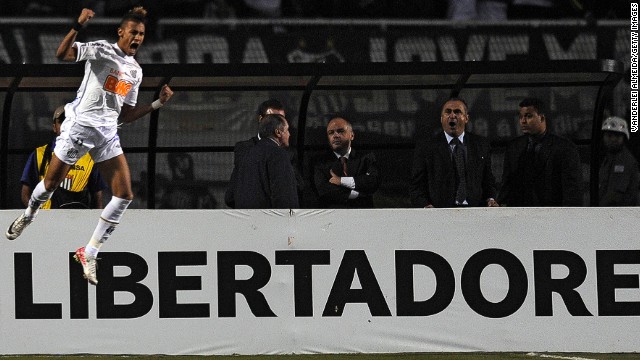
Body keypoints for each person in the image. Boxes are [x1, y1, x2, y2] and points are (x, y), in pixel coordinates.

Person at [5, 7, 174, 286]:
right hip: (79, 129)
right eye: (133, 32)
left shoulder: (136, 71)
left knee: (124, 195)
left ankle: (90, 251)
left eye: (142, 34)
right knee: (49, 185)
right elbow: (62, 54)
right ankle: (28, 215)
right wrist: (77, 25)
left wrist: (158, 103)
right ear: (121, 32)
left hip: (107, 134)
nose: (138, 37)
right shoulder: (101, 50)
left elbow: (126, 115)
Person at [410, 97, 498, 208]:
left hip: (475, 214)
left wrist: (490, 199)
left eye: (457, 112)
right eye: (448, 112)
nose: (452, 116)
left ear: (466, 118)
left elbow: (488, 181)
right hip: (440, 215)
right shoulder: (426, 148)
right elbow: (417, 187)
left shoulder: (481, 145)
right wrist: (426, 206)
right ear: (441, 119)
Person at [497, 98, 582, 207]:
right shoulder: (514, 147)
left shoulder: (564, 148)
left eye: (528, 116)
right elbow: (507, 186)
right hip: (520, 216)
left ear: (541, 118)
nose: (523, 121)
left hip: (552, 216)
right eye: (521, 117)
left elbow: (572, 191)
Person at [20, 105, 108, 209]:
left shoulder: (90, 157)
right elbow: (25, 193)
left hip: (78, 221)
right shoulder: (39, 154)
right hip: (48, 221)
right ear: (54, 127)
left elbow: (97, 197)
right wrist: (37, 216)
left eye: (71, 121)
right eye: (62, 121)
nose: (67, 125)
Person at [225, 99, 303, 208]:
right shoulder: (244, 149)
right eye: (273, 118)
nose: (278, 121)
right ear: (261, 119)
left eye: (282, 119)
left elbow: (297, 187)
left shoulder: (288, 152)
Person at [312, 116, 380, 208]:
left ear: (352, 135)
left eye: (340, 131)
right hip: (333, 217)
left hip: (363, 216)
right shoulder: (319, 163)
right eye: (331, 133)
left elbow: (372, 182)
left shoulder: (366, 158)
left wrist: (341, 181)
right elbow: (325, 191)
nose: (335, 135)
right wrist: (359, 194)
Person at [598, 116, 640, 206]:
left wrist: (594, 210)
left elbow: (614, 195)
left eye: (617, 135)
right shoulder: (609, 158)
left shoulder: (624, 160)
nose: (613, 139)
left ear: (624, 138)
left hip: (621, 214)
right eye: (609, 135)